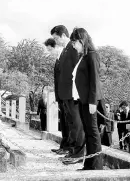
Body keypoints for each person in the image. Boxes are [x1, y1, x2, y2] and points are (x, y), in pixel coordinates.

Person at [69, 27, 103, 170]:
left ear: (82, 41)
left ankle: (96, 166)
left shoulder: (92, 56)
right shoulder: (83, 56)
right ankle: (89, 164)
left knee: (93, 133)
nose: (73, 46)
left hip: (90, 100)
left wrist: (92, 102)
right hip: (82, 100)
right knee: (88, 133)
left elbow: (94, 81)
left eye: (75, 43)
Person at [51, 25, 86, 162]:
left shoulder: (72, 48)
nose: (55, 41)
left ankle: (77, 153)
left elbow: (77, 71)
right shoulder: (66, 50)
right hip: (65, 93)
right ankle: (72, 150)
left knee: (77, 124)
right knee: (71, 123)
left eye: (56, 38)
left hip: (72, 93)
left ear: (63, 35)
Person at [44, 38, 70, 153]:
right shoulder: (58, 59)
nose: (50, 53)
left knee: (67, 121)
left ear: (54, 47)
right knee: (63, 122)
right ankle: (63, 146)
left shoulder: (64, 56)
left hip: (66, 94)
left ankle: (68, 147)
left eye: (50, 50)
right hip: (60, 95)